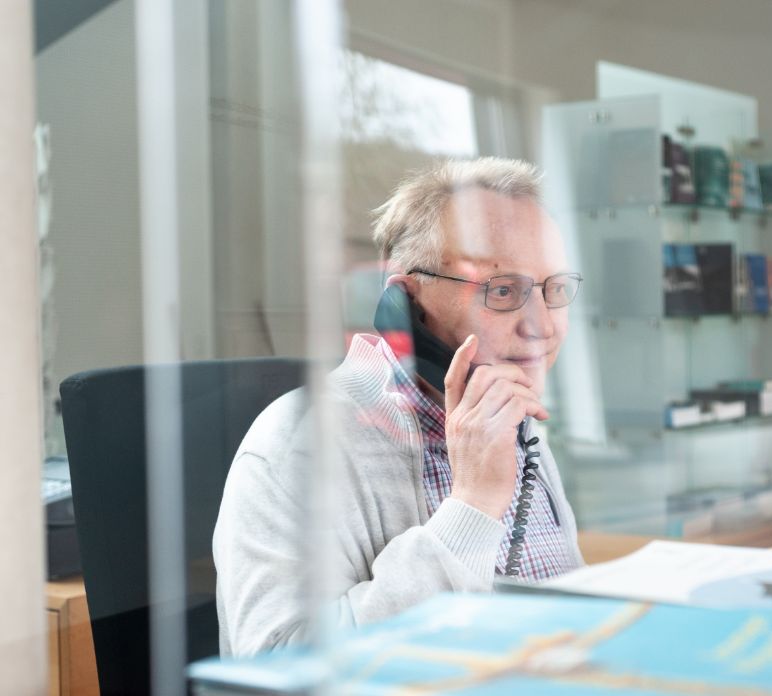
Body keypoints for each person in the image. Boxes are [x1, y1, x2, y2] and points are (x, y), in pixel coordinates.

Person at [213, 157, 585, 657]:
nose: (541, 325)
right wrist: (472, 507)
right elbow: (278, 671)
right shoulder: (295, 446)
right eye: (503, 291)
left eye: (554, 290)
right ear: (405, 301)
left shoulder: (513, 423)